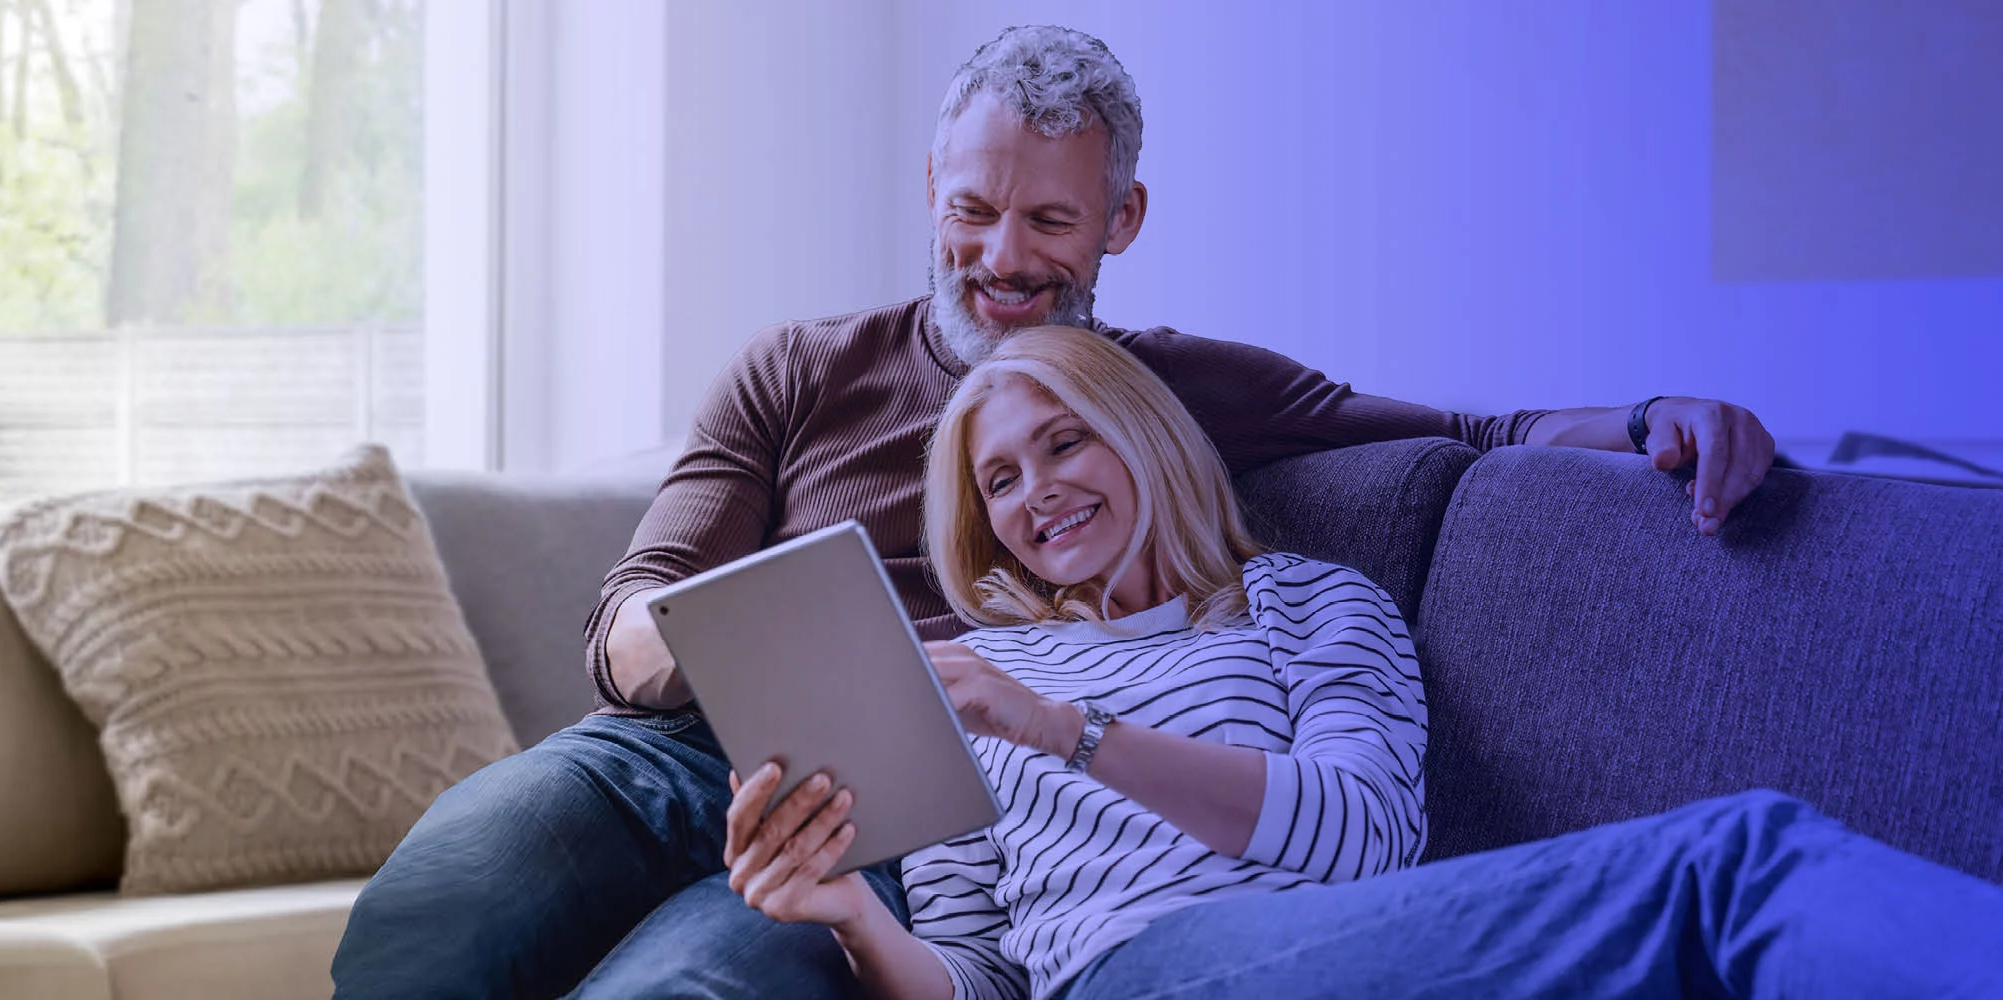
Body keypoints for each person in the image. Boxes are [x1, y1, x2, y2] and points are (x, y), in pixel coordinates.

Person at [332, 25, 1782, 999]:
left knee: (692, 983)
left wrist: (1659, 414)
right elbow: (624, 619)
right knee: (434, 908)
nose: (1002, 257)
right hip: (668, 743)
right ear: (931, 193)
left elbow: (1465, 434)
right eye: (973, 212)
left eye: (1049, 220)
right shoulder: (796, 368)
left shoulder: (1163, 394)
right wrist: (725, 645)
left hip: (895, 802)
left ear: (1121, 223)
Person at [722, 324, 2003, 1000]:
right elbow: (984, 979)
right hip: (1129, 976)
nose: (1036, 493)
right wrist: (845, 912)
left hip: (1327, 948)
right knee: (1735, 863)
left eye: (1065, 443)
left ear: (1143, 437)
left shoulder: (1303, 603)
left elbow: (1367, 835)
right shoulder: (966, 675)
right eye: (999, 479)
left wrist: (1066, 729)